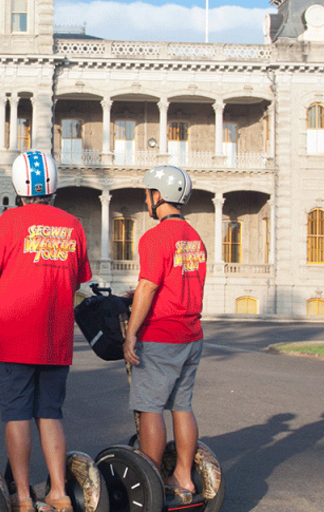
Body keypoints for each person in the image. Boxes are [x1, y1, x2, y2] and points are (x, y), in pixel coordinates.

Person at [0, 151, 91, 512]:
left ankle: (21, 495)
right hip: (57, 338)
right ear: (52, 187)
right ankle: (60, 493)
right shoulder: (72, 224)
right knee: (50, 414)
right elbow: (79, 278)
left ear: (19, 187)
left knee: (16, 415)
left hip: (16, 335)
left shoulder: (11, 221)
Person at [123, 165, 207, 499]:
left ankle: (152, 483)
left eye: (147, 193)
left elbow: (148, 286)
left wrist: (131, 333)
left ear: (158, 196)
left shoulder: (155, 236)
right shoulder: (195, 238)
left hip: (160, 335)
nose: (146, 199)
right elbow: (179, 281)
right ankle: (184, 477)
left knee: (150, 408)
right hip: (192, 333)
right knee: (181, 406)